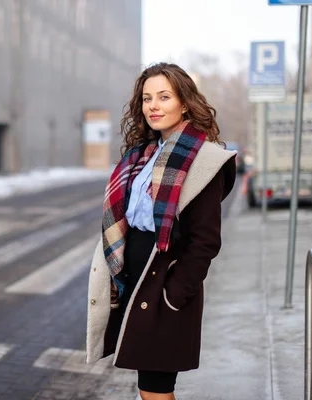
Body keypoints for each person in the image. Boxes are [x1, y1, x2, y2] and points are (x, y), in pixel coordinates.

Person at [85, 63, 237, 400]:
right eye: (147, 98)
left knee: (155, 390)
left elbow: (205, 242)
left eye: (164, 97)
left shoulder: (205, 161)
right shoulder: (140, 156)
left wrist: (175, 294)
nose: (153, 105)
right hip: (135, 282)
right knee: (148, 387)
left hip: (163, 288)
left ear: (184, 102)